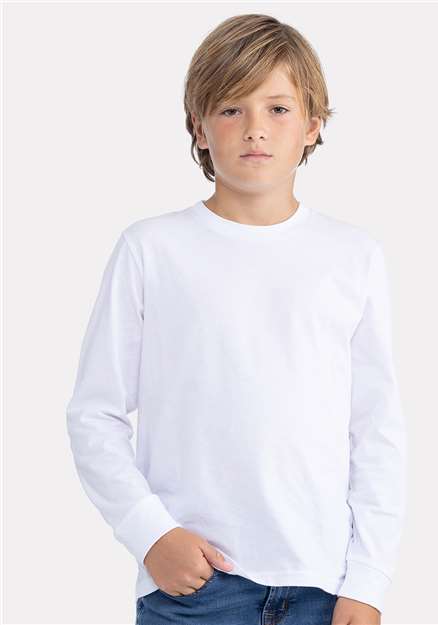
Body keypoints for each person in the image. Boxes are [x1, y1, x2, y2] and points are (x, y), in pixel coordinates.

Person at [66, 13, 407, 625]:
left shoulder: (352, 256)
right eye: (231, 109)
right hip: (194, 586)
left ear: (312, 124)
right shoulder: (152, 250)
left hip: (323, 586)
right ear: (199, 128)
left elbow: (375, 429)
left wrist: (370, 578)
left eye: (277, 109)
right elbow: (95, 414)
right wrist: (151, 534)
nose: (255, 129)